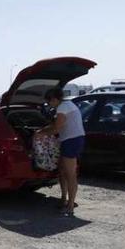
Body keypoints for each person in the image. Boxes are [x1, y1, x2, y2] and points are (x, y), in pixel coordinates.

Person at [37, 88, 84, 217]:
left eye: (49, 102)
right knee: (62, 171)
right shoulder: (67, 105)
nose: (49, 105)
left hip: (71, 141)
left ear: (54, 99)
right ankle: (64, 199)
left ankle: (70, 206)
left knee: (70, 174)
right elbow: (55, 125)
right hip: (70, 140)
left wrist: (40, 134)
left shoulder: (63, 107)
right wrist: (42, 130)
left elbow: (56, 128)